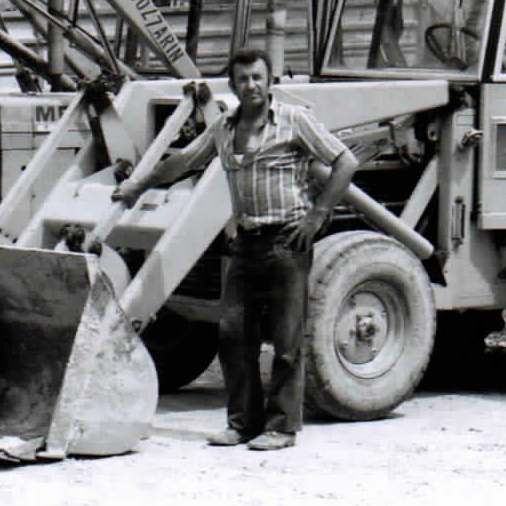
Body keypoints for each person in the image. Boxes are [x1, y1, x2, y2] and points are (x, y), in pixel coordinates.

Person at [113, 47, 358, 451]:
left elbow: (345, 162)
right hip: (245, 243)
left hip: (286, 241)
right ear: (233, 86)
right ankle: (243, 423)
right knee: (233, 335)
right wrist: (136, 187)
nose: (252, 85)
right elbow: (183, 162)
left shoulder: (295, 121)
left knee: (286, 339)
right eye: (243, 79)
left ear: (270, 81)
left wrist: (317, 216)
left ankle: (281, 428)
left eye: (258, 77)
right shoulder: (225, 129)